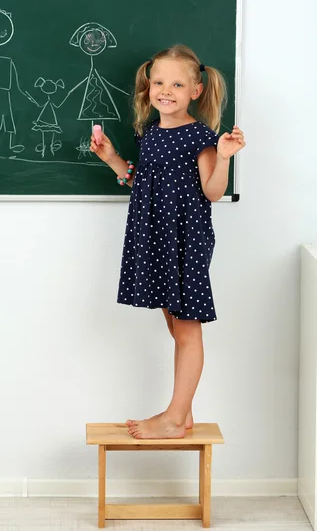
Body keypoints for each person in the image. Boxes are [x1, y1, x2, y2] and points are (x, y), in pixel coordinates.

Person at [90, 44, 246, 439]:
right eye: (158, 82)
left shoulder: (200, 137)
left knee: (188, 328)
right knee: (176, 325)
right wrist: (111, 157)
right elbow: (140, 180)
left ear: (195, 91)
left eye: (177, 84)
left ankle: (174, 418)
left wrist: (225, 156)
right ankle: (184, 413)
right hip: (155, 235)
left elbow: (211, 192)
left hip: (186, 238)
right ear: (147, 87)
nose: (166, 90)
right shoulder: (150, 133)